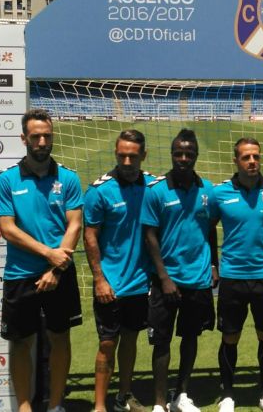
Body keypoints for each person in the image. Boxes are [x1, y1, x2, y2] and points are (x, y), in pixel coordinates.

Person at [0, 109, 84, 412]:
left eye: (47, 135)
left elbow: (74, 225)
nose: (42, 142)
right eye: (36, 137)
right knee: (21, 343)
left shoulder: (68, 178)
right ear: (24, 139)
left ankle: (56, 405)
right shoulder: (7, 180)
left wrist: (56, 269)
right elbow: (8, 229)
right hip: (20, 274)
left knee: (60, 338)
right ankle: (24, 407)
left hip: (60, 273)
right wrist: (49, 254)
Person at [141, 128, 218, 412]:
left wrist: (214, 264)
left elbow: (210, 229)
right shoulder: (156, 190)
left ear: (196, 155)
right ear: (172, 154)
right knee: (161, 342)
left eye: (189, 153)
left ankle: (181, 395)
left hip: (197, 278)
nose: (183, 158)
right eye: (178, 153)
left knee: (190, 337)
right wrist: (164, 277)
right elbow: (149, 236)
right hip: (166, 280)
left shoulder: (207, 190)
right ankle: (160, 402)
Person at [212, 138, 263, 412]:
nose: (252, 161)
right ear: (236, 160)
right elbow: (207, 229)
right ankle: (228, 394)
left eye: (256, 156)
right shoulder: (220, 193)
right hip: (232, 276)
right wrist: (213, 265)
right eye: (246, 157)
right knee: (229, 336)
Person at [84, 129, 155, 412]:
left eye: (132, 156)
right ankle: (100, 405)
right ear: (115, 153)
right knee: (107, 343)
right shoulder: (99, 190)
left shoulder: (152, 187)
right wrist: (99, 279)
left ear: (143, 155)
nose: (126, 161)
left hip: (140, 281)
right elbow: (90, 236)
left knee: (130, 339)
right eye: (122, 155)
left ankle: (124, 395)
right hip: (110, 283)